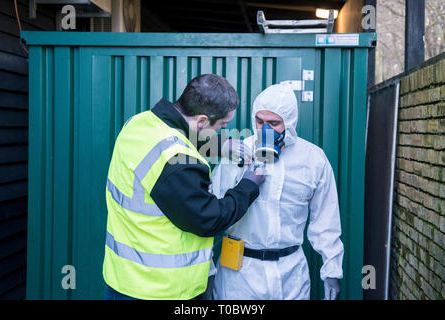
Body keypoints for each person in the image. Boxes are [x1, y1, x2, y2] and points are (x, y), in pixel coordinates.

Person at [102, 74, 265, 300]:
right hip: (160, 289)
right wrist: (248, 185)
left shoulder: (139, 123)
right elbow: (209, 218)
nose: (221, 130)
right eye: (221, 126)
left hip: (121, 279)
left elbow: (171, 137)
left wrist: (218, 145)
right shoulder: (178, 163)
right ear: (201, 121)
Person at [211, 83, 344, 300]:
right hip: (239, 274)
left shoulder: (313, 160)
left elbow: (326, 220)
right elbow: (211, 212)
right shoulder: (238, 153)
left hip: (290, 273)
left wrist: (332, 270)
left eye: (274, 123)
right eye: (260, 121)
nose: (266, 129)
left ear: (289, 124)